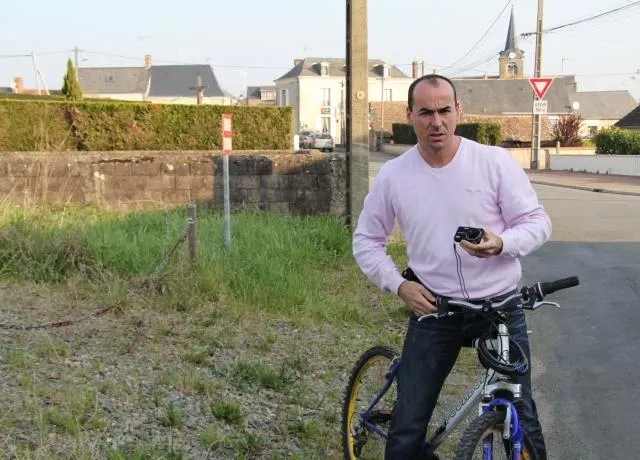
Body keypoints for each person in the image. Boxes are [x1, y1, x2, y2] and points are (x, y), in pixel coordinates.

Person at [352, 74, 552, 460]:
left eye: (444, 110)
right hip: (434, 307)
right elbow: (366, 240)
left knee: (522, 417)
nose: (437, 121)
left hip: (498, 307)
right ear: (410, 115)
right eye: (426, 112)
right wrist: (399, 285)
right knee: (407, 429)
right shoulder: (394, 175)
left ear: (458, 110)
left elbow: (536, 222)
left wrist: (502, 243)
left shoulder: (493, 162)